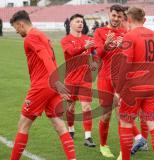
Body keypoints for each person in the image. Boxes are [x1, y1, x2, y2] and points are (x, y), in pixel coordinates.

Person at [9, 10, 77, 160]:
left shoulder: (31, 37)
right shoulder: (42, 35)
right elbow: (51, 59)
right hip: (51, 87)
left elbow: (46, 58)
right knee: (58, 124)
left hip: (42, 86)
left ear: (21, 24)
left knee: (23, 124)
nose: (16, 31)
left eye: (16, 28)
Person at [117, 7, 154, 160]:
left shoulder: (129, 36)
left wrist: (119, 89)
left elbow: (125, 65)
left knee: (125, 124)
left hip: (134, 87)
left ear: (128, 19)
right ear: (144, 19)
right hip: (153, 85)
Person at [93, 4, 126, 158]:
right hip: (105, 78)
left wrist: (124, 46)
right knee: (106, 115)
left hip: (121, 79)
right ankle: (103, 145)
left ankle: (123, 151)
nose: (116, 19)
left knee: (122, 115)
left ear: (122, 17)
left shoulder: (125, 32)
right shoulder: (99, 32)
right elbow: (97, 56)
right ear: (109, 14)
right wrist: (106, 46)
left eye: (119, 16)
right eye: (114, 15)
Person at [61, 14, 96, 147]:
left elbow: (91, 53)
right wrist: (85, 47)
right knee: (70, 108)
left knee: (86, 107)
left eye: (82, 22)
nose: (80, 24)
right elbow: (71, 52)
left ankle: (88, 137)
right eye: (77, 21)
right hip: (70, 80)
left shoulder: (88, 39)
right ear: (71, 24)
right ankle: (71, 129)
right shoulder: (66, 40)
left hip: (85, 80)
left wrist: (92, 62)